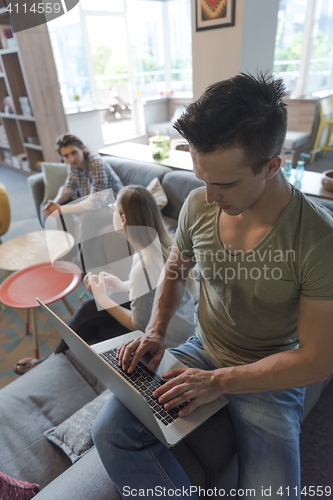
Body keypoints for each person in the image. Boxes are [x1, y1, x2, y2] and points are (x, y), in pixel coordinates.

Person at [92, 73, 333, 499]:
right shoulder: (200, 204)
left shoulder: (318, 239)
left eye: (224, 183)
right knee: (109, 431)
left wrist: (218, 382)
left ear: (272, 165)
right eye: (202, 177)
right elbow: (175, 267)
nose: (209, 195)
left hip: (270, 372)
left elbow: (316, 361)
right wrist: (156, 332)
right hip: (203, 346)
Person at [14, 185, 196, 375]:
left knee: (92, 310)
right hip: (180, 327)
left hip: (166, 342)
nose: (112, 212)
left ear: (123, 219)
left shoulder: (145, 265)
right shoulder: (161, 244)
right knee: (90, 308)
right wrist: (122, 285)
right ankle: (51, 359)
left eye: (114, 209)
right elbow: (154, 288)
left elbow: (140, 325)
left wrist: (102, 298)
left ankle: (48, 362)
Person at [43, 133, 123, 216]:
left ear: (82, 148)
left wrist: (60, 209)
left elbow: (95, 202)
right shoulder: (73, 166)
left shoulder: (96, 164)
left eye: (74, 153)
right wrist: (55, 203)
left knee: (86, 215)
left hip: (114, 207)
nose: (71, 159)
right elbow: (69, 188)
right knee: (59, 210)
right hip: (96, 204)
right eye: (66, 156)